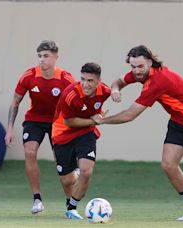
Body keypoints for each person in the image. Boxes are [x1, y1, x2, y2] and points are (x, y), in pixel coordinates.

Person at [91, 45, 183, 221]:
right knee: (168, 165)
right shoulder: (140, 73)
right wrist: (116, 90)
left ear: (150, 62)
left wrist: (102, 120)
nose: (136, 71)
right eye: (132, 67)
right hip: (179, 121)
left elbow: (129, 115)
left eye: (140, 66)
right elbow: (119, 81)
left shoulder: (158, 81)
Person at [5, 40, 76, 214]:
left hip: (58, 123)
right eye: (39, 56)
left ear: (56, 57)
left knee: (61, 163)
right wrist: (9, 128)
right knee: (30, 152)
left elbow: (77, 102)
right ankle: (37, 199)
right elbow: (15, 102)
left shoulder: (66, 78)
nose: (42, 60)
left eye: (46, 56)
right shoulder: (29, 76)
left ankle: (70, 202)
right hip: (34, 120)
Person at [52, 62, 111, 220]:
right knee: (67, 181)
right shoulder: (70, 95)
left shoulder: (104, 91)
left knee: (86, 171)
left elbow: (117, 85)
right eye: (83, 79)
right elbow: (69, 122)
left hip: (86, 133)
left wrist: (118, 92)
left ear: (98, 81)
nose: (85, 84)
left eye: (90, 81)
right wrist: (94, 120)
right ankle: (75, 179)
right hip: (62, 134)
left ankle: (71, 208)